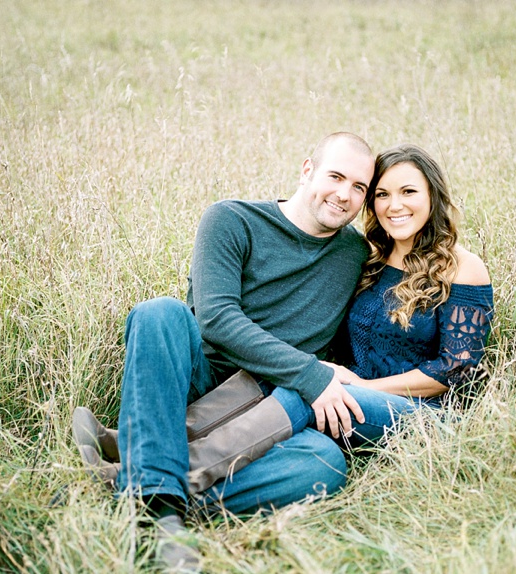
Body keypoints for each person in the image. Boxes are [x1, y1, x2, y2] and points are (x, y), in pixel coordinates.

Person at [72, 132, 375, 571]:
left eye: (359, 187)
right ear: (307, 170)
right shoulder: (231, 219)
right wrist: (310, 375)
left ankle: (133, 471)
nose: (345, 195)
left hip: (264, 413)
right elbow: (216, 320)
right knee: (160, 314)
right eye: (336, 176)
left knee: (323, 464)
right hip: (199, 383)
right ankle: (161, 513)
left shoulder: (354, 254)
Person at [268, 142, 494, 449]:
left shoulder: (461, 268)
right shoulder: (368, 258)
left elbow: (458, 367)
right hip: (360, 397)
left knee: (303, 393)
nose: (394, 205)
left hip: (426, 415)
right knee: (292, 389)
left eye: (408, 192)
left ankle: (199, 462)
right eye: (382, 195)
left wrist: (366, 386)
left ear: (433, 196)